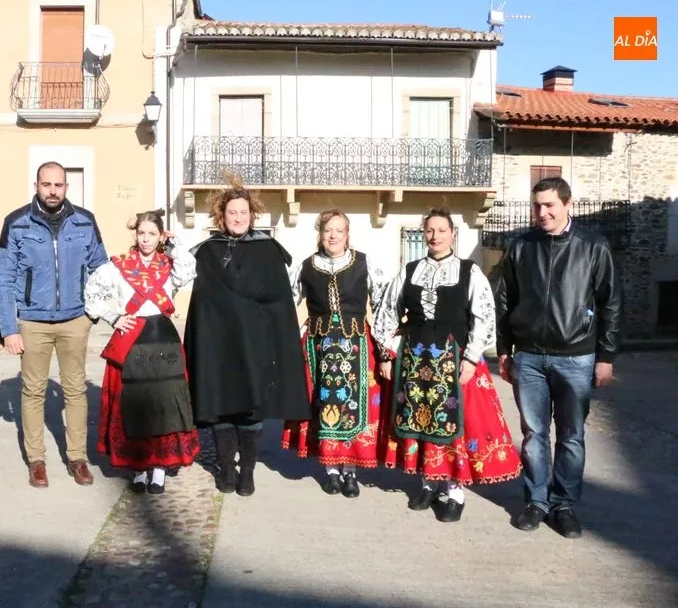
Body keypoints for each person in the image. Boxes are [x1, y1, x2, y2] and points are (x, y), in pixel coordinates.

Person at [373, 207, 521, 523]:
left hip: (454, 359)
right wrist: (386, 353)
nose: (435, 236)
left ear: (452, 234)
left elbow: (484, 315)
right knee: (421, 420)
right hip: (416, 359)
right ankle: (428, 482)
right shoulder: (410, 270)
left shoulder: (469, 271)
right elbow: (387, 310)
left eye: (441, 230)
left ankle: (454, 491)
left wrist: (471, 358)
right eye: (429, 230)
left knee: (453, 424)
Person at [496, 176, 622, 538]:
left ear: (568, 204)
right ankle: (536, 502)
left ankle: (563, 504)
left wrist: (606, 354)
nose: (542, 212)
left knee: (571, 436)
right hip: (529, 358)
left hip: (577, 357)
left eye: (549, 205)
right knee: (534, 434)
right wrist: (505, 350)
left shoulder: (593, 246)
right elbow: (505, 301)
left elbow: (610, 302)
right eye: (537, 205)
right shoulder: (521, 247)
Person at [183, 177, 311, 497]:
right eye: (232, 212)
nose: (238, 218)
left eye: (243, 212)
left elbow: (280, 301)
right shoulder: (208, 252)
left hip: (255, 344)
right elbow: (201, 302)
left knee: (251, 409)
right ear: (221, 216)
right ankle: (227, 468)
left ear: (251, 215)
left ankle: (248, 471)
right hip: (218, 345)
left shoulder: (268, 250)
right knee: (220, 406)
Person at [0, 161, 108, 488]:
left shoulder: (84, 221)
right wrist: (9, 329)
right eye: (47, 185)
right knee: (33, 391)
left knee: (76, 390)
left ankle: (77, 458)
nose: (53, 191)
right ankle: (37, 460)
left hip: (75, 320)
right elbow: (3, 278)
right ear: (36, 186)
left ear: (66, 188)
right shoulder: (16, 223)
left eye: (58, 185)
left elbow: (101, 270)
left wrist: (93, 313)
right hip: (33, 322)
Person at [83, 209, 200, 494]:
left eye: (152, 234)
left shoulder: (169, 265)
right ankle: (137, 468)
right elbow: (92, 292)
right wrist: (114, 317)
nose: (146, 239)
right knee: (133, 405)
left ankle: (159, 468)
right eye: (141, 233)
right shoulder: (118, 266)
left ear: (160, 236)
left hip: (163, 340)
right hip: (132, 338)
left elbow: (189, 270)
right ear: (135, 235)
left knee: (164, 404)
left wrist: (175, 243)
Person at [281, 210, 390, 497]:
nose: (333, 236)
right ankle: (330, 471)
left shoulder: (364, 263)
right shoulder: (307, 266)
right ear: (320, 233)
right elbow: (286, 303)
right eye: (328, 230)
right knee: (323, 404)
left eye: (339, 230)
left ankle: (350, 471)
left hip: (357, 347)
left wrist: (385, 351)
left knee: (355, 406)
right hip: (319, 348)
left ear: (347, 234)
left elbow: (383, 306)